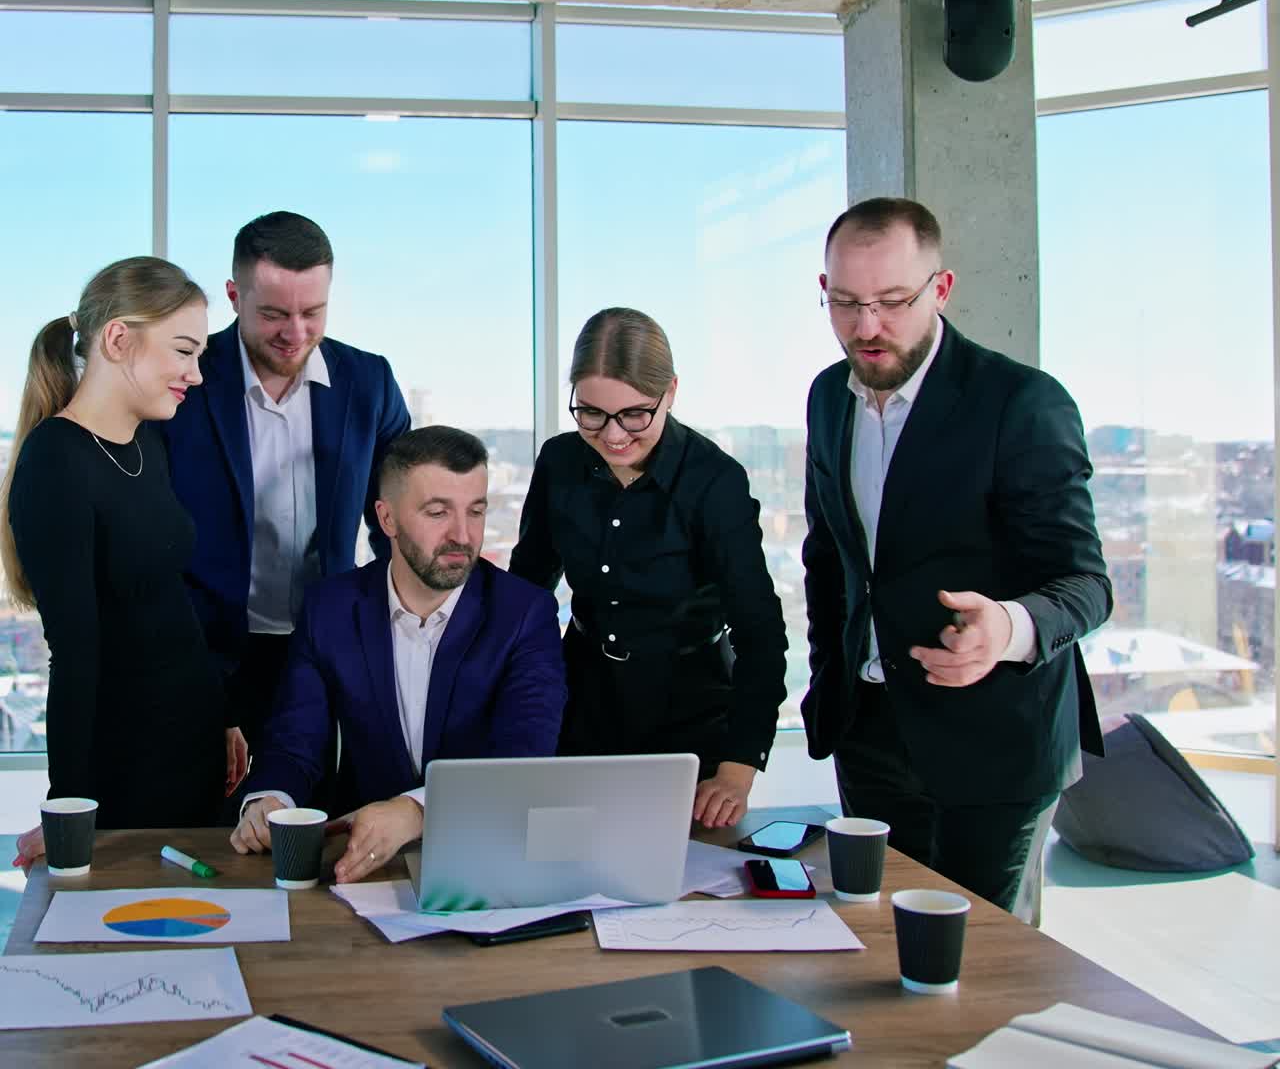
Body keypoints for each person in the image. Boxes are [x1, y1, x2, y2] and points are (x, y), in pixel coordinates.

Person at [802, 197, 1112, 918]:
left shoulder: (1023, 404)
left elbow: (1086, 583)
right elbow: (830, 559)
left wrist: (1004, 629)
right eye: (845, 302)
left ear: (939, 291)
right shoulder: (828, 398)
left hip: (995, 742)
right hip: (869, 728)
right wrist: (831, 683)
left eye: (891, 301)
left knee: (978, 974)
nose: (866, 326)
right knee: (875, 945)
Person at [229, 426, 567, 883]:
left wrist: (417, 811)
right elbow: (295, 738)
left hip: (488, 862)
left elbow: (523, 760)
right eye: (437, 512)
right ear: (386, 519)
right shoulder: (330, 607)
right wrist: (271, 801)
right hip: (359, 868)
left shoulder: (526, 613)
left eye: (476, 511)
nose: (463, 536)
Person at [0, 257, 247, 868]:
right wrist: (69, 809)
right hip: (129, 766)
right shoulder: (56, 461)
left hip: (194, 747)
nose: (195, 373)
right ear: (117, 339)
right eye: (184, 351)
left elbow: (169, 603)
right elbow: (76, 655)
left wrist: (221, 714)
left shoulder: (147, 443)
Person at [509, 307, 788, 830]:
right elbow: (527, 591)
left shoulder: (714, 481)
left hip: (692, 713)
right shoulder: (559, 462)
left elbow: (761, 633)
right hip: (582, 703)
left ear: (672, 392)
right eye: (591, 412)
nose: (613, 435)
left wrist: (738, 769)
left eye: (635, 414)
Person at [160, 211, 410, 769]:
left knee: (312, 823)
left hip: (325, 644)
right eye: (274, 314)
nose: (296, 334)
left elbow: (398, 516)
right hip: (207, 649)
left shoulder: (368, 382)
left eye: (312, 312)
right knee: (213, 822)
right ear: (232, 295)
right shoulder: (184, 383)